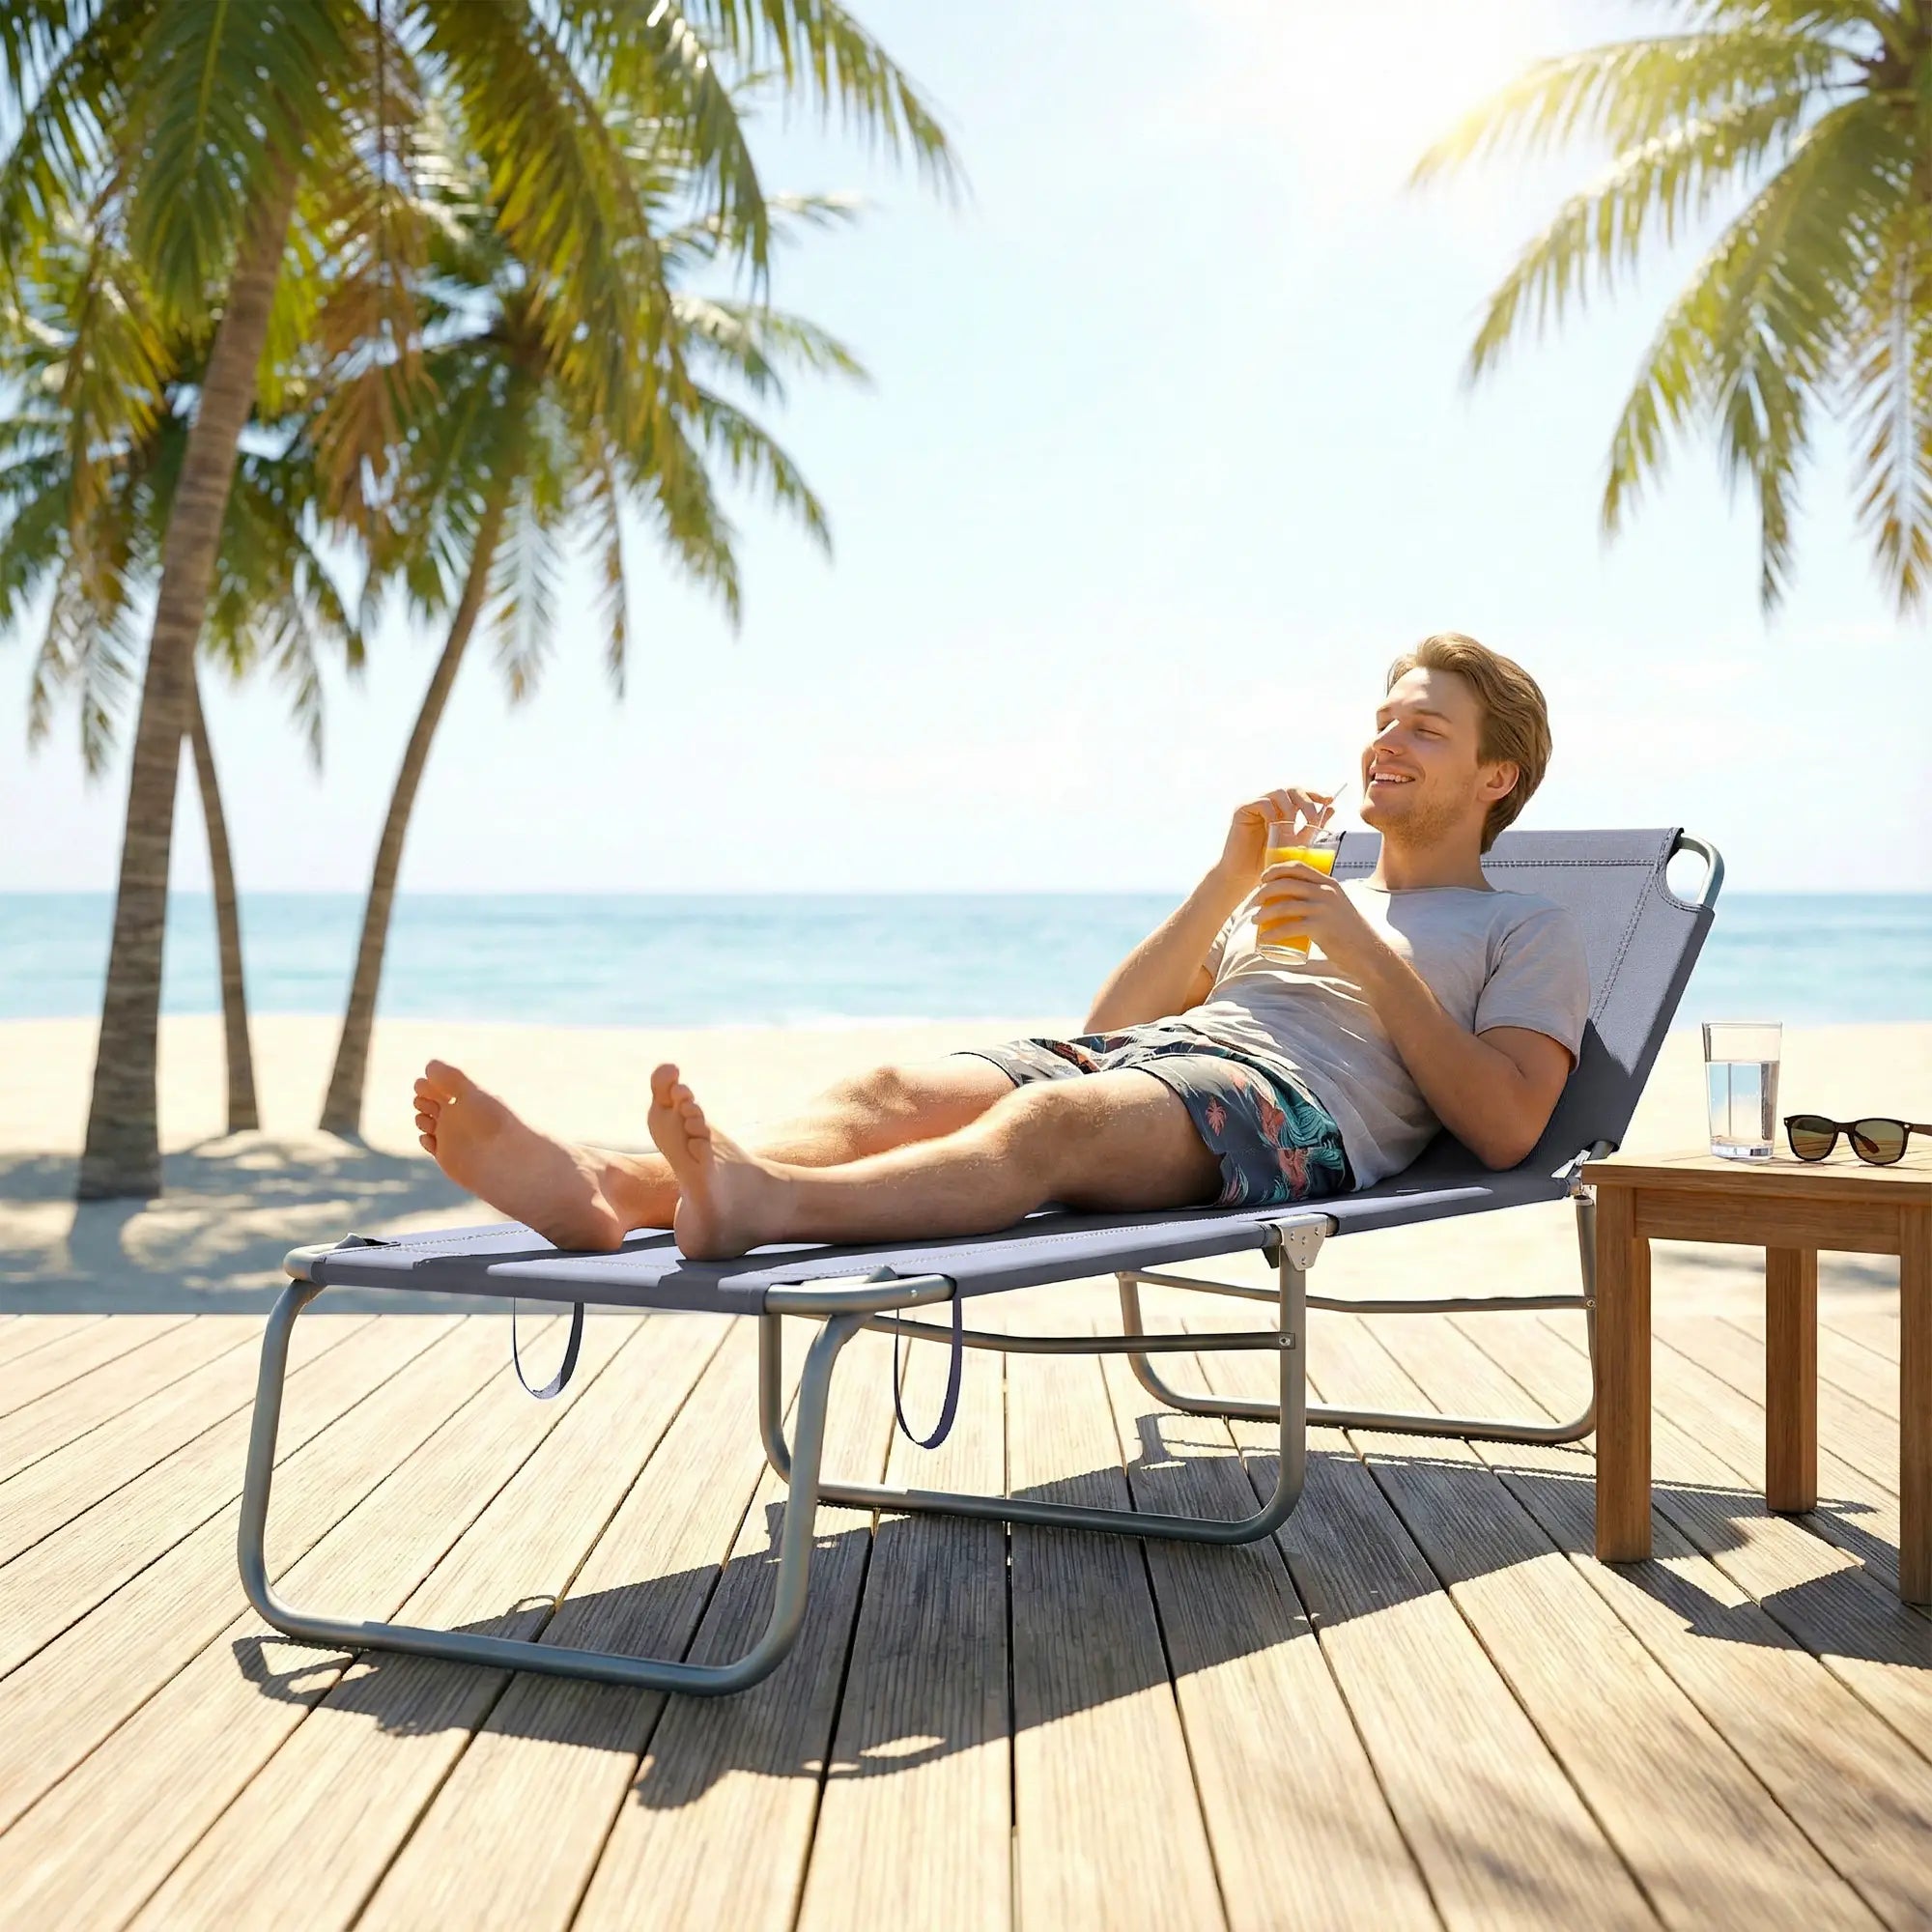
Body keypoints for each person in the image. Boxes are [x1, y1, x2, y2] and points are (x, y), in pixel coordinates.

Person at [412, 632, 1590, 1262]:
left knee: (1046, 1129)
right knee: (892, 1085)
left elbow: (1504, 1128)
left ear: (1495, 776)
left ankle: (759, 1200)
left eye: (1423, 727)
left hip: (1295, 1112)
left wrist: (1364, 951)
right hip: (1169, 1059)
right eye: (1381, 717)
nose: (1386, 738)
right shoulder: (1291, 890)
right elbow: (1109, 1029)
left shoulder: (1526, 928)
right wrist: (1227, 875)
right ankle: (618, 1187)